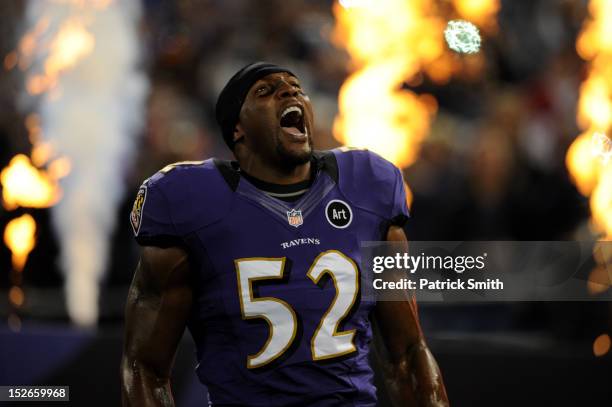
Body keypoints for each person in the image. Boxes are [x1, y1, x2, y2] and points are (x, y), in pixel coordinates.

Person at [121, 62, 448, 407]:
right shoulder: (190, 203)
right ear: (238, 130)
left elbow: (408, 355)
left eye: (295, 87)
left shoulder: (366, 187)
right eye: (265, 91)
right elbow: (145, 367)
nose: (289, 91)